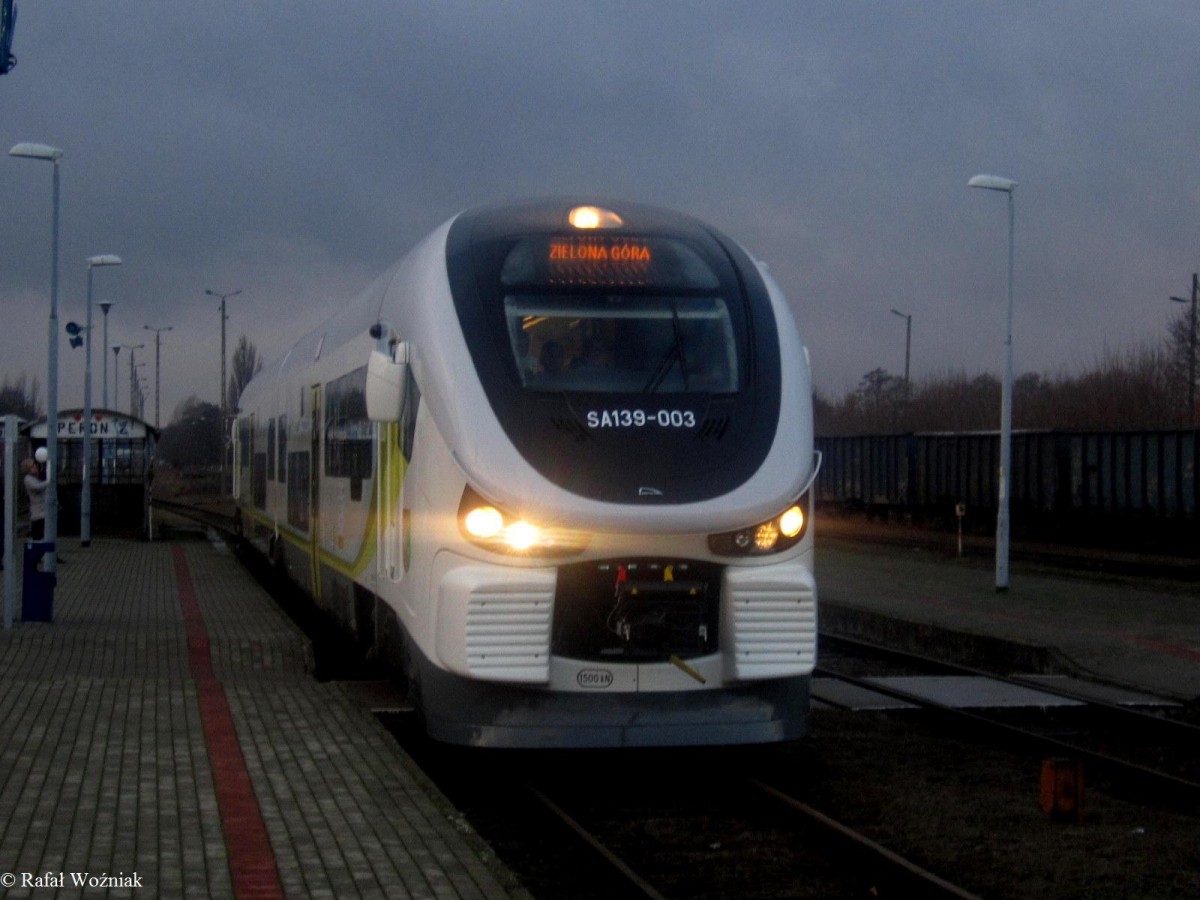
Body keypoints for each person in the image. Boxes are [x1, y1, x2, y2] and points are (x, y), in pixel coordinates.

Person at [22, 458, 48, 541]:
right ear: (28, 469)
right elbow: (36, 487)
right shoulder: (28, 479)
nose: (35, 467)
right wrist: (49, 481)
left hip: (43, 512)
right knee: (38, 537)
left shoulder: (37, 478)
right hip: (37, 514)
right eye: (32, 466)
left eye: (35, 466)